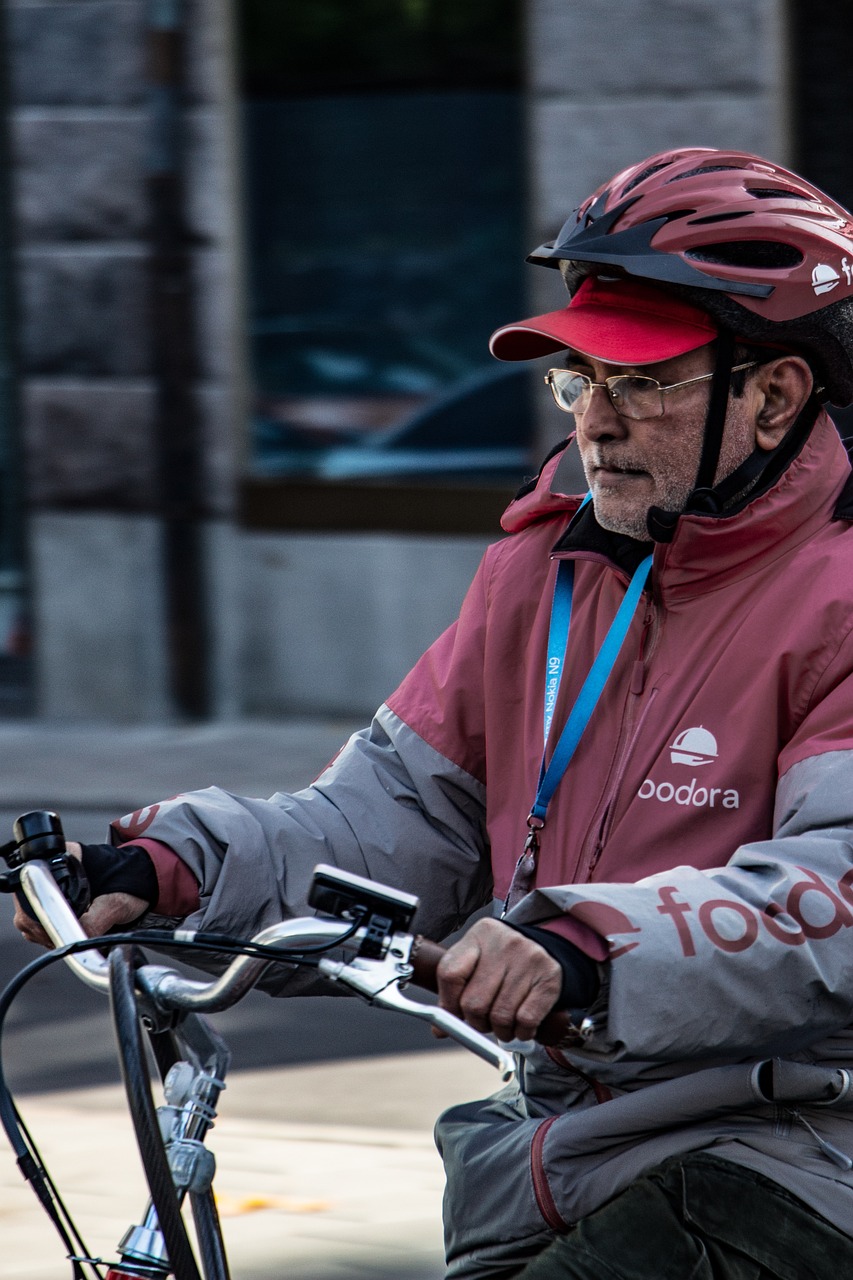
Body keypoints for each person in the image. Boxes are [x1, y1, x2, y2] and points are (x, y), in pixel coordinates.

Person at [15, 147, 853, 1278]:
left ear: (773, 397)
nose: (596, 421)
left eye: (643, 382)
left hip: (787, 1154)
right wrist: (174, 866)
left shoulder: (836, 590)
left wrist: (586, 947)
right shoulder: (541, 574)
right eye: (580, 379)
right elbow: (393, 818)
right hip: (553, 1148)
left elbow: (837, 884)